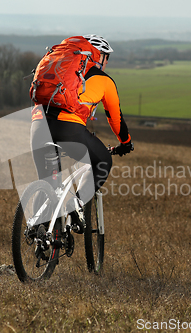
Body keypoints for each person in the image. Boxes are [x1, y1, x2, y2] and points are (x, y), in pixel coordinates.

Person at [30, 34, 133, 232]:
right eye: (106, 57)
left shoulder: (61, 69)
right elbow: (115, 118)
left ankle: (38, 234)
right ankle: (75, 206)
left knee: (48, 182)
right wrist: (126, 142)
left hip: (38, 126)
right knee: (103, 161)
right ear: (99, 56)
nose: (106, 62)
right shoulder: (104, 80)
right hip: (69, 130)